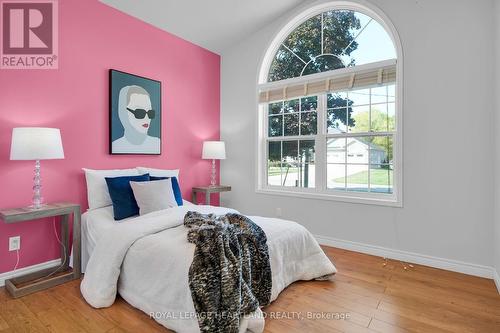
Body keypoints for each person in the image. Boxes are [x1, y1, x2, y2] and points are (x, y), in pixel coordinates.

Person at [112, 85, 160, 154]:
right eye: (139, 112)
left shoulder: (157, 143)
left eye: (150, 113)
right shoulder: (116, 146)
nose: (147, 118)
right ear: (123, 112)